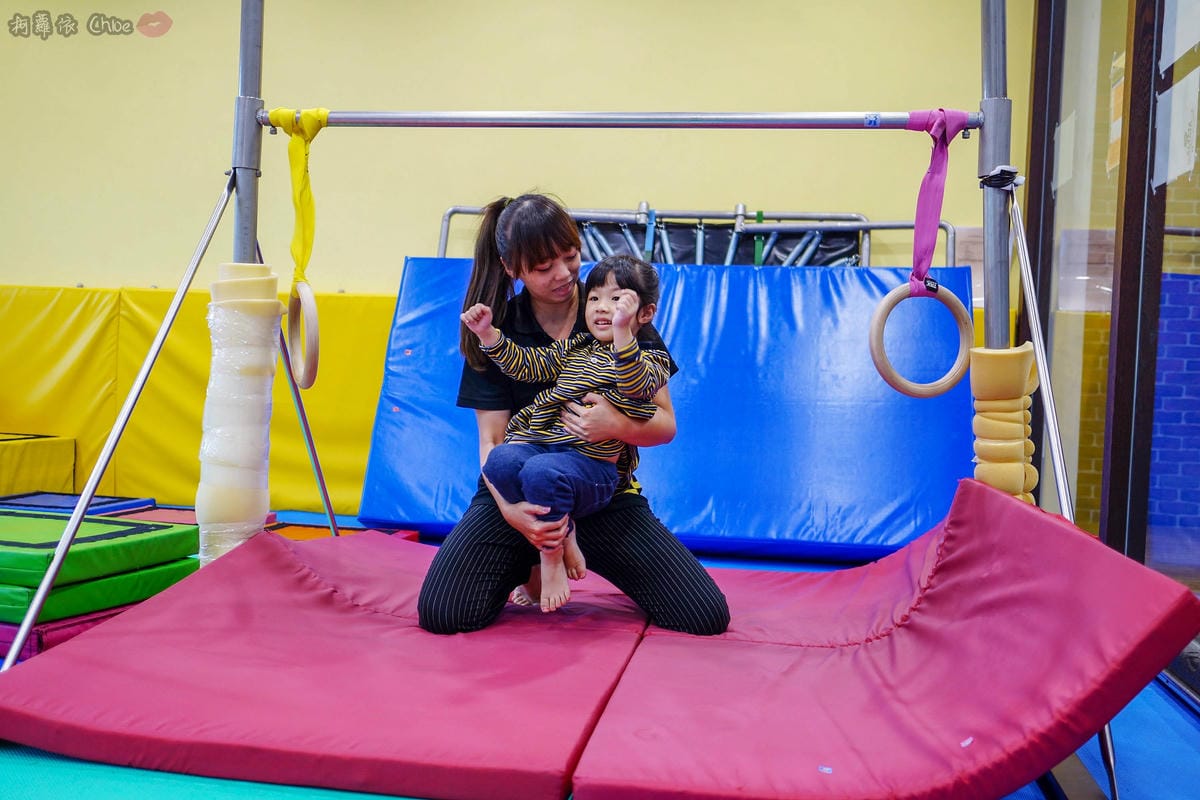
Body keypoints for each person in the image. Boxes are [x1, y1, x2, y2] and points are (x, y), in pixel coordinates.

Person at [417, 192, 729, 635]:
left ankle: (567, 547)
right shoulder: (498, 324)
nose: (564, 275)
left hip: (599, 489)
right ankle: (535, 558)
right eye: (544, 268)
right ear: (513, 269)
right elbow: (492, 441)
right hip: (520, 490)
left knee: (703, 614)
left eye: (571, 256)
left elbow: (665, 424)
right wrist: (512, 512)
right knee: (445, 612)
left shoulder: (613, 308)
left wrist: (616, 425)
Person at [461, 254, 672, 612]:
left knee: (543, 472)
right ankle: (564, 530)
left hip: (594, 471)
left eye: (617, 300)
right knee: (501, 460)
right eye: (595, 299)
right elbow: (529, 365)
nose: (603, 308)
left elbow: (637, 387)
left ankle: (551, 559)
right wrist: (489, 335)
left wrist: (622, 332)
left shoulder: (647, 359)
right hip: (548, 454)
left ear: (644, 314)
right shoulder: (576, 348)